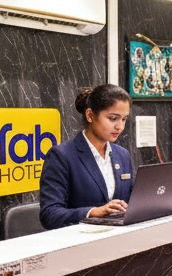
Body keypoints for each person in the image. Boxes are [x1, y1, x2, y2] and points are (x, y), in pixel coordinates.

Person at [39, 84, 134, 229]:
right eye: (113, 118)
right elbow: (50, 214)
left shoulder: (122, 155)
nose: (120, 127)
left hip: (119, 237)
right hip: (80, 239)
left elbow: (132, 201)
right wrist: (93, 212)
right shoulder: (61, 155)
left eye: (124, 119)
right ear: (90, 115)